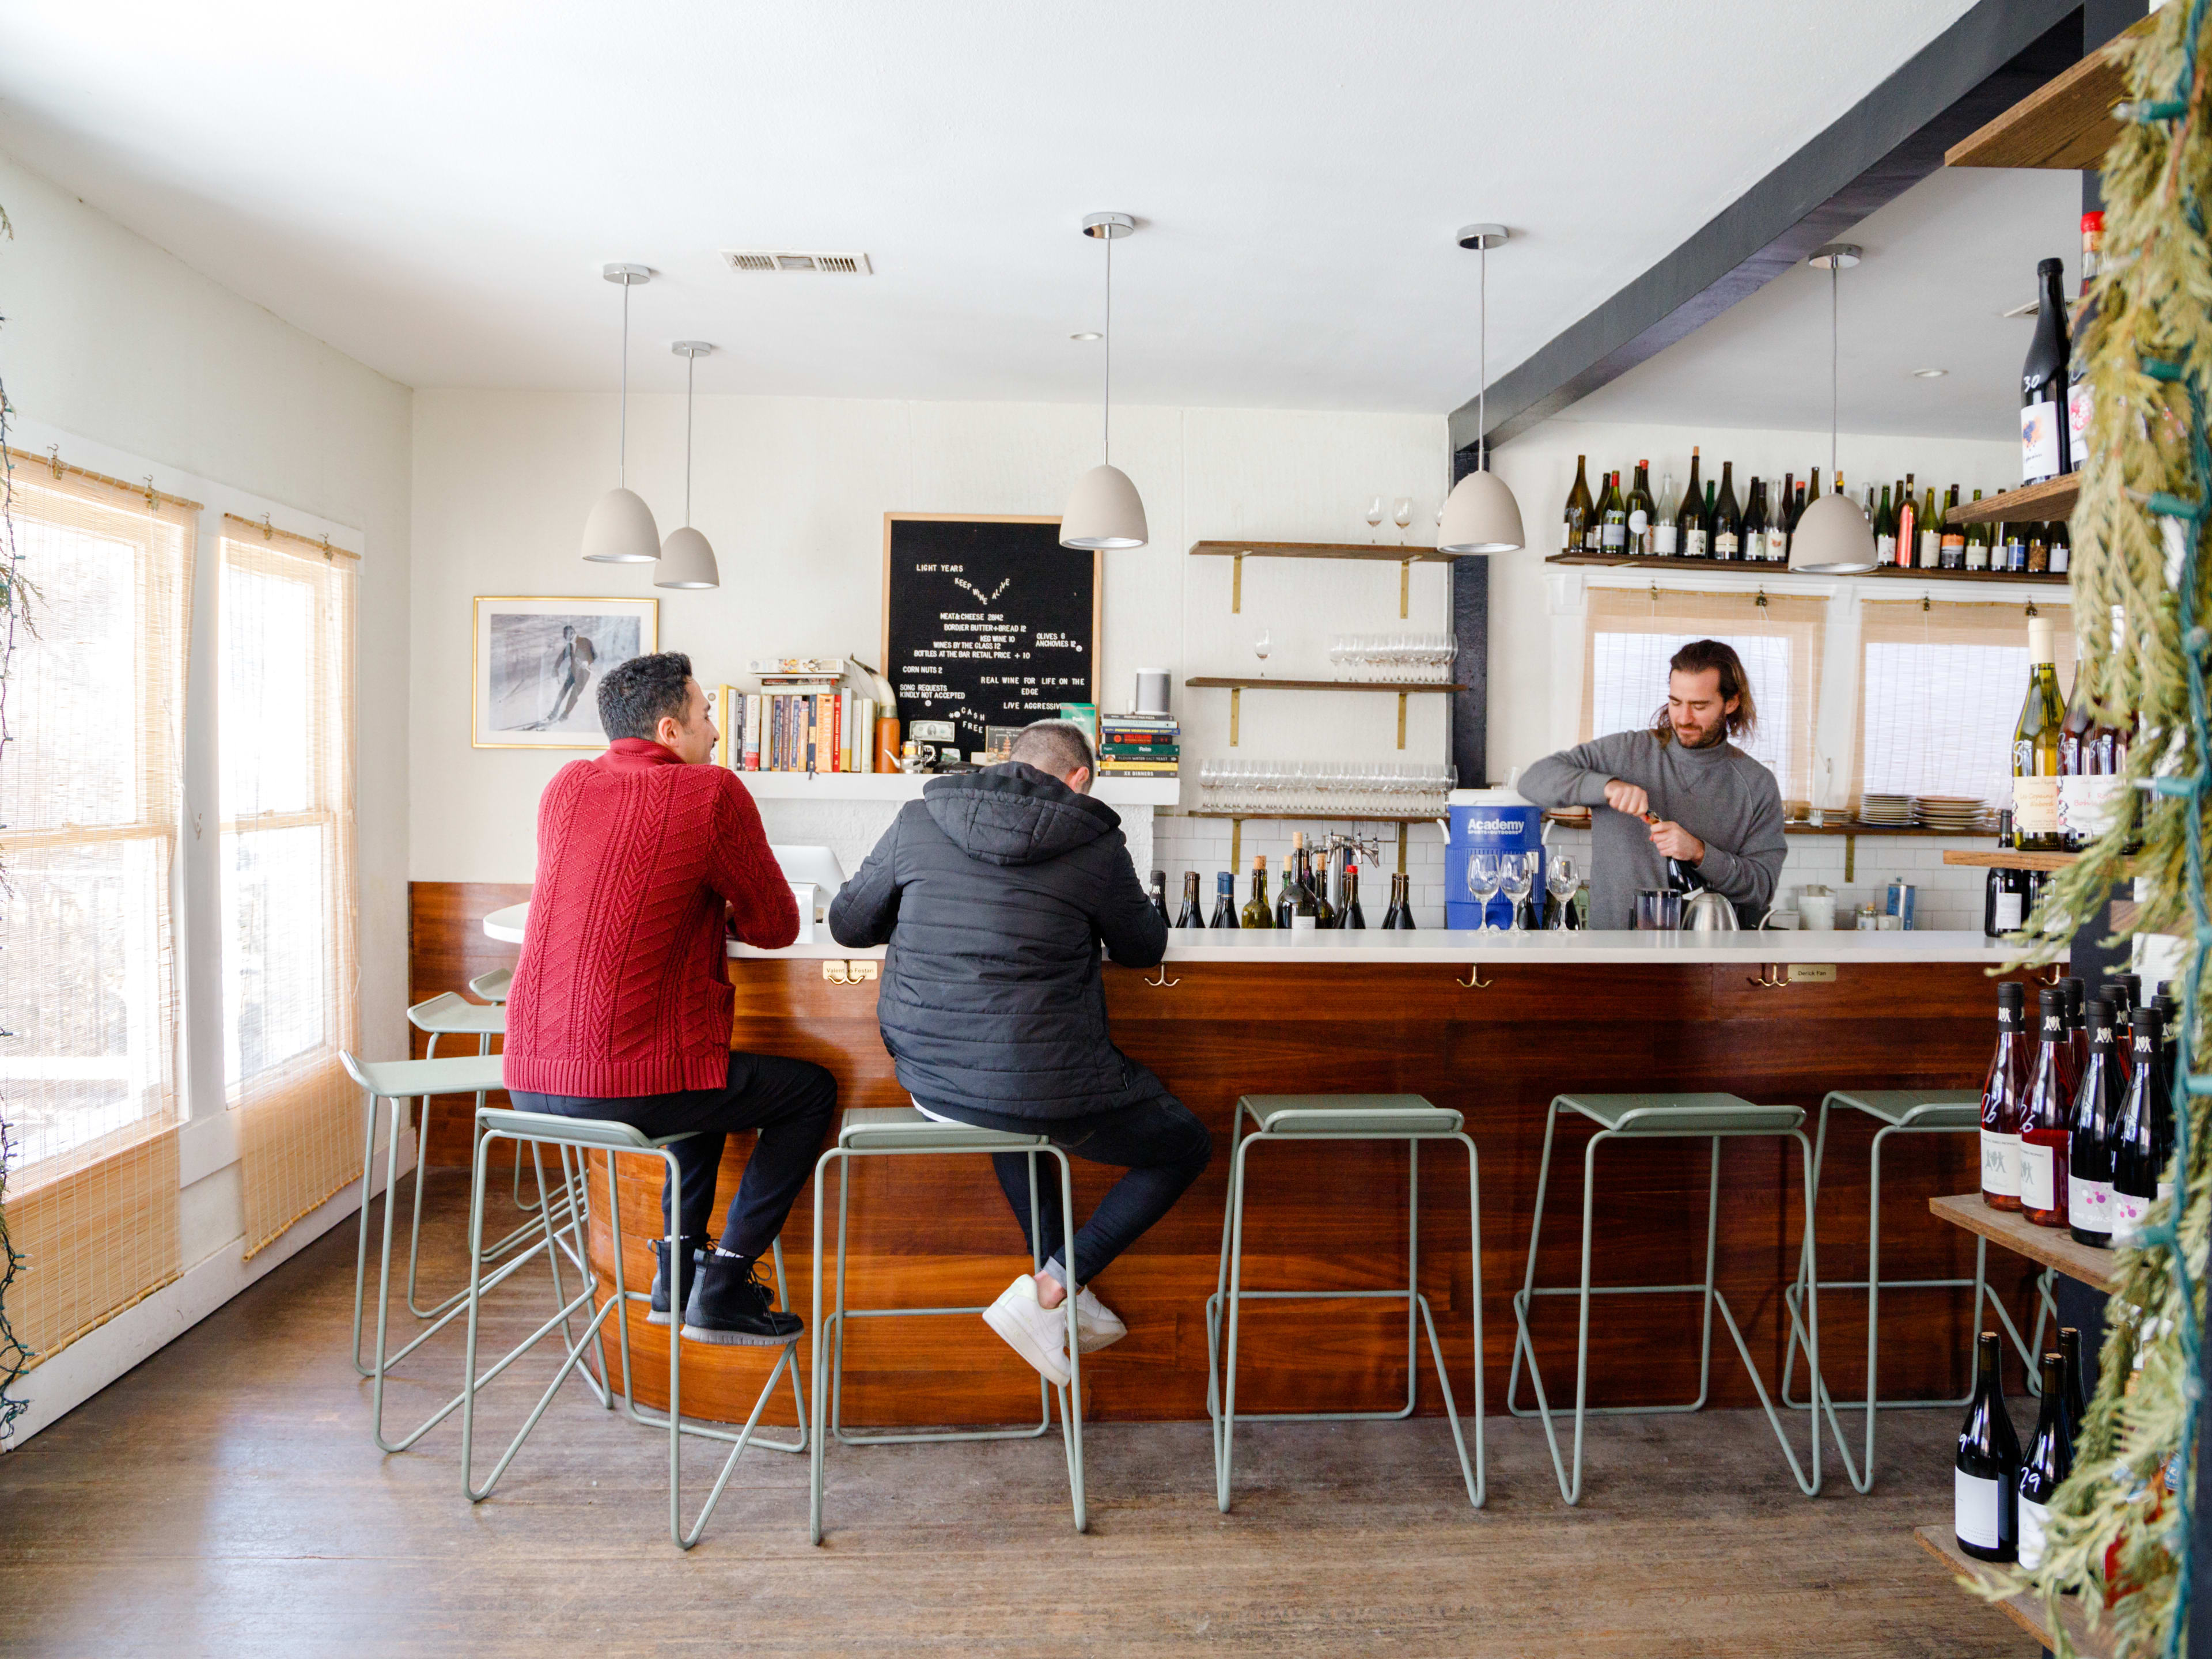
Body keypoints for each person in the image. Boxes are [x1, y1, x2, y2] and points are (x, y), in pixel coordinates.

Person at [827, 718, 1211, 1387]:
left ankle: (1058, 1292)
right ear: (1080, 779)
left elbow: (848, 924)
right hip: (1036, 1085)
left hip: (934, 1081)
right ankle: (1057, 1288)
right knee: (1186, 1144)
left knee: (1005, 1105)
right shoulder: (1095, 843)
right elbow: (1143, 947)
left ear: (1012, 760)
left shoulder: (920, 819)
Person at [503, 651, 835, 1344]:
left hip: (529, 1081)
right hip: (623, 1087)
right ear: (669, 730)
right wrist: (721, 906)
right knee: (810, 1093)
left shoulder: (564, 786)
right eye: (706, 714)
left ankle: (676, 1273)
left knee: (699, 1073)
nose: (715, 731)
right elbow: (777, 927)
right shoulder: (710, 791)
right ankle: (725, 1283)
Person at [1517, 637, 1786, 930]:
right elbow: (1533, 781)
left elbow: (1761, 889)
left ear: (1731, 703)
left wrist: (1699, 852)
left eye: (1700, 706)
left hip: (1706, 959)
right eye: (1676, 702)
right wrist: (1608, 787)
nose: (1684, 718)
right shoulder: (1623, 753)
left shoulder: (1757, 783)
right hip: (1613, 951)